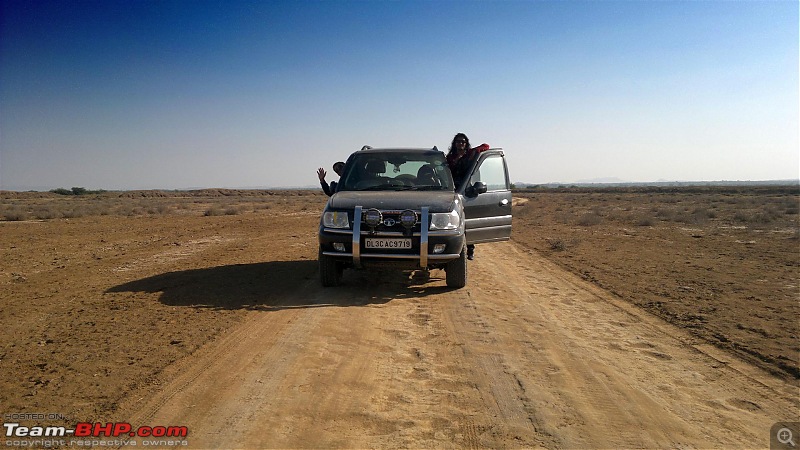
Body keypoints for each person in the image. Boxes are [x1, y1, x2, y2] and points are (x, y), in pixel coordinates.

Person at [445, 133, 490, 260]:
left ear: (466, 143)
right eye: (458, 141)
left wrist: (476, 150)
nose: (461, 144)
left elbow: (486, 146)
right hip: (452, 191)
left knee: (467, 221)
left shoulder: (470, 155)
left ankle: (470, 250)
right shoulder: (450, 158)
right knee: (454, 221)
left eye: (463, 142)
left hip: (467, 190)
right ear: (454, 143)